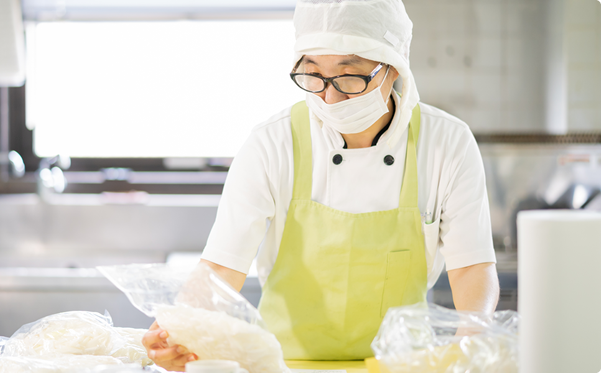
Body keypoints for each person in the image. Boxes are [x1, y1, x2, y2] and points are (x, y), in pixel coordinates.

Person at [143, 0, 499, 369]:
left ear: (394, 68)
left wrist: (471, 343)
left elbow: (471, 265)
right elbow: (221, 266)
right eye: (313, 75)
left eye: (349, 77)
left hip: (403, 364)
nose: (329, 97)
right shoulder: (272, 142)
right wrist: (179, 329)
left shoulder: (446, 142)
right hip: (285, 364)